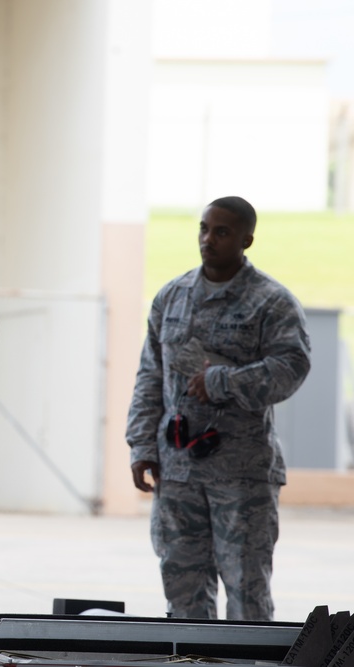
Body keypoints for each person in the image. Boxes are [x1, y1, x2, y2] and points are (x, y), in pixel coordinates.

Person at [125, 195, 311, 621]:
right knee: (183, 593)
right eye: (204, 229)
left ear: (247, 239)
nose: (209, 240)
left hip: (241, 477)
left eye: (222, 232)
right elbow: (150, 376)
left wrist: (222, 382)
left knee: (247, 594)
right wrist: (141, 446)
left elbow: (292, 367)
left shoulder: (271, 302)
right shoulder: (172, 297)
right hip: (178, 473)